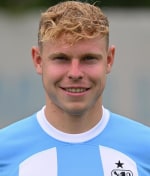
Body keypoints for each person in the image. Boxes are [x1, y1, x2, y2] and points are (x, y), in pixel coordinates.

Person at [0, 1, 150, 176]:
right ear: (38, 60)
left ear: (109, 59)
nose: (75, 73)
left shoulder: (145, 147)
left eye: (89, 58)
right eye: (61, 58)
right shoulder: (4, 151)